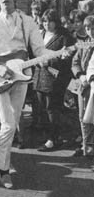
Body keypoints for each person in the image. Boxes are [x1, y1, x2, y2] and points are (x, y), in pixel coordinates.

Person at [0, 0, 57, 189]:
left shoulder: (26, 20)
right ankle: (2, 170)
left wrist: (55, 55)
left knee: (13, 121)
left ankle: (6, 161)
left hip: (22, 76)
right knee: (8, 124)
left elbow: (39, 49)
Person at [33, 9, 75, 152]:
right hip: (39, 76)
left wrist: (49, 62)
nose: (46, 24)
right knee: (41, 108)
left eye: (49, 21)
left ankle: (53, 139)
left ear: (55, 21)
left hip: (54, 78)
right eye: (44, 21)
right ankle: (47, 136)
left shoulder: (64, 37)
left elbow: (67, 59)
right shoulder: (41, 34)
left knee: (52, 109)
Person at [70, 15, 94, 157]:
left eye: (92, 28)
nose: (90, 31)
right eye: (87, 28)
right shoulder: (85, 44)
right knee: (83, 117)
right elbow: (75, 62)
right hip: (84, 85)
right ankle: (86, 146)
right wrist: (80, 75)